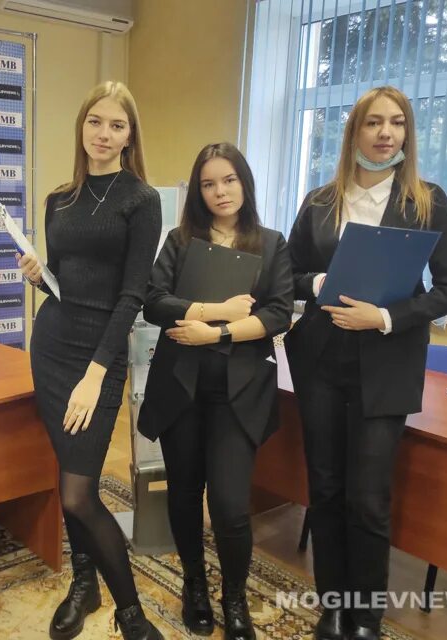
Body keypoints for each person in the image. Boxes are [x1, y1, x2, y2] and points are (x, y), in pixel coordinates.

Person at [284, 86, 447, 640]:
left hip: (386, 365)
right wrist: (317, 282)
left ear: (408, 132)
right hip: (320, 361)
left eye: (397, 122)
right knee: (326, 488)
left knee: (367, 497)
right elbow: (285, 275)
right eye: (373, 122)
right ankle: (333, 607)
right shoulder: (320, 201)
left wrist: (386, 317)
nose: (386, 132)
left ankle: (365, 617)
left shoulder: (426, 201)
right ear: (354, 132)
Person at [17, 81, 163, 640]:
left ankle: (132, 616)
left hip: (98, 357)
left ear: (130, 136)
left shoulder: (140, 200)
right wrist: (40, 278)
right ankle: (85, 584)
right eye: (95, 122)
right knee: (67, 476)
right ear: (82, 127)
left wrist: (96, 375)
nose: (104, 133)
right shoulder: (60, 199)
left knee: (79, 492)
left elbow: (131, 296)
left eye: (116, 125)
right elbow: (65, 283)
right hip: (52, 346)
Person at [137, 143, 294, 640]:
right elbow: (153, 302)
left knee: (229, 505)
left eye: (229, 180)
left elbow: (278, 314)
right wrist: (215, 311)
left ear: (244, 182)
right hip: (181, 388)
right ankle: (195, 586)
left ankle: (234, 597)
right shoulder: (181, 241)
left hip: (238, 393)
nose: (220, 191)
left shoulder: (271, 243)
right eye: (208, 184)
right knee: (185, 494)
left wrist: (217, 334)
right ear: (197, 192)